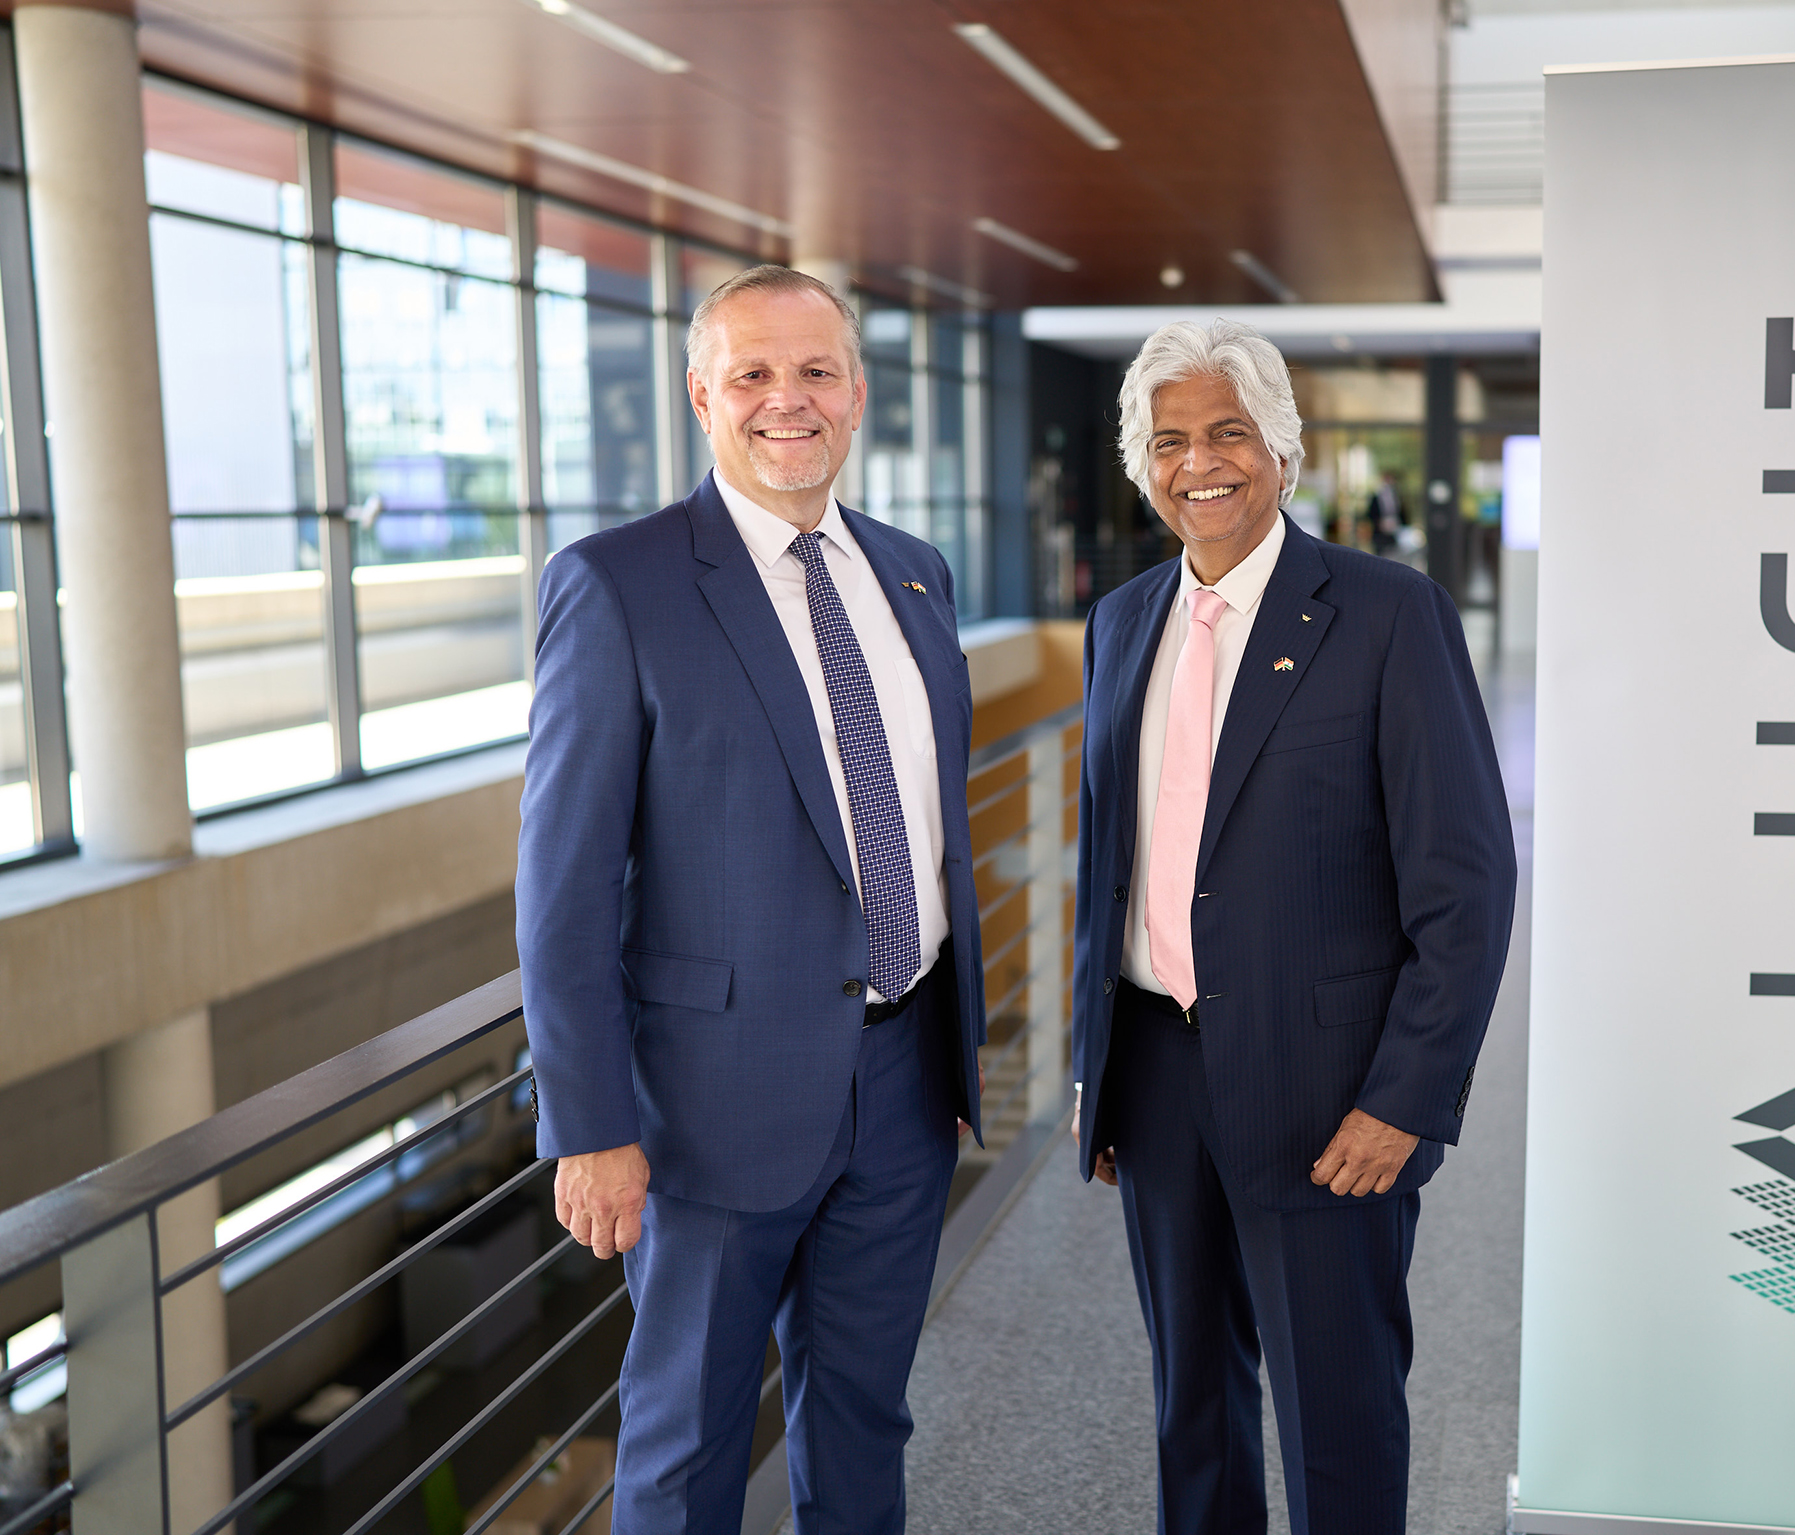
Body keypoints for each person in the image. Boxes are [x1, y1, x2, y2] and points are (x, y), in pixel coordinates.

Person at [517, 264, 983, 1535]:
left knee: (865, 1419)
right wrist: (588, 1124)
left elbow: (925, 822)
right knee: (686, 1443)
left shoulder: (914, 573)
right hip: (706, 1110)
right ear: (699, 395)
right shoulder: (616, 583)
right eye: (754, 374)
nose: (790, 399)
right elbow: (560, 891)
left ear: (858, 392)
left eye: (816, 370)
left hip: (901, 1083)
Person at [1069, 319, 1515, 1535]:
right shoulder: (1122, 622)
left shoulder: (1385, 612)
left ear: (1281, 447)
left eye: (1227, 432)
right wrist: (1096, 1078)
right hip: (1155, 1075)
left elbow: (1466, 881)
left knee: (1337, 1411)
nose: (1198, 463)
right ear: (1142, 464)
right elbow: (1108, 863)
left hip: (1329, 1091)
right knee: (1191, 1404)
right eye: (1169, 440)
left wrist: (1406, 1099)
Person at [1367, 470, 1403, 554]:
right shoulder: (1376, 497)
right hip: (1380, 531)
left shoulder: (1396, 497)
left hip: (1394, 530)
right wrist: (1379, 523)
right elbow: (1371, 513)